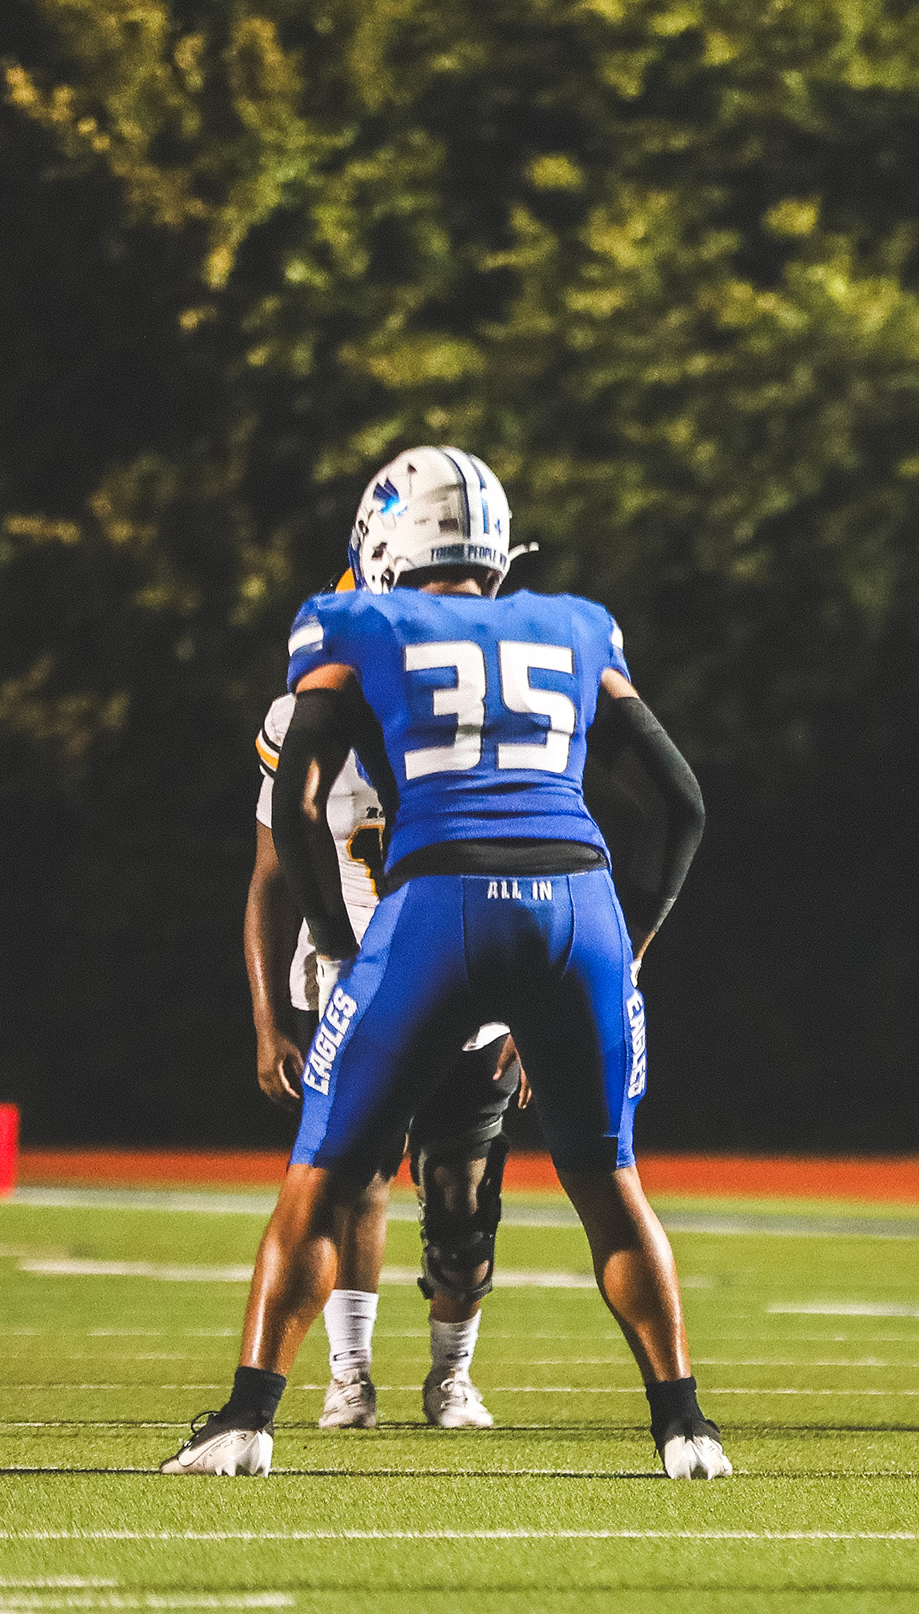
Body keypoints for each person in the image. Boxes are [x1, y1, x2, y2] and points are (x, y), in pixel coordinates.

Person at [159, 446, 724, 1478]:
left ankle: (246, 1420)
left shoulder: (353, 624)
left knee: (322, 1179)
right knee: (610, 1182)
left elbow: (297, 796)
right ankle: (686, 1427)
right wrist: (631, 950)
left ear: (382, 542)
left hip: (438, 905)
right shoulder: (576, 623)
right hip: (580, 904)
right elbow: (679, 802)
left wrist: (342, 947)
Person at [245, 455, 521, 1435]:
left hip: (469, 979)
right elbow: (273, 871)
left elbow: (533, 857)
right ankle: (350, 1375)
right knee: (352, 1184)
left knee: (462, 1198)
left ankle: (451, 1376)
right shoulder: (309, 709)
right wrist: (270, 1015)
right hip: (354, 976)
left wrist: (530, 1002)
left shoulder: (492, 703)